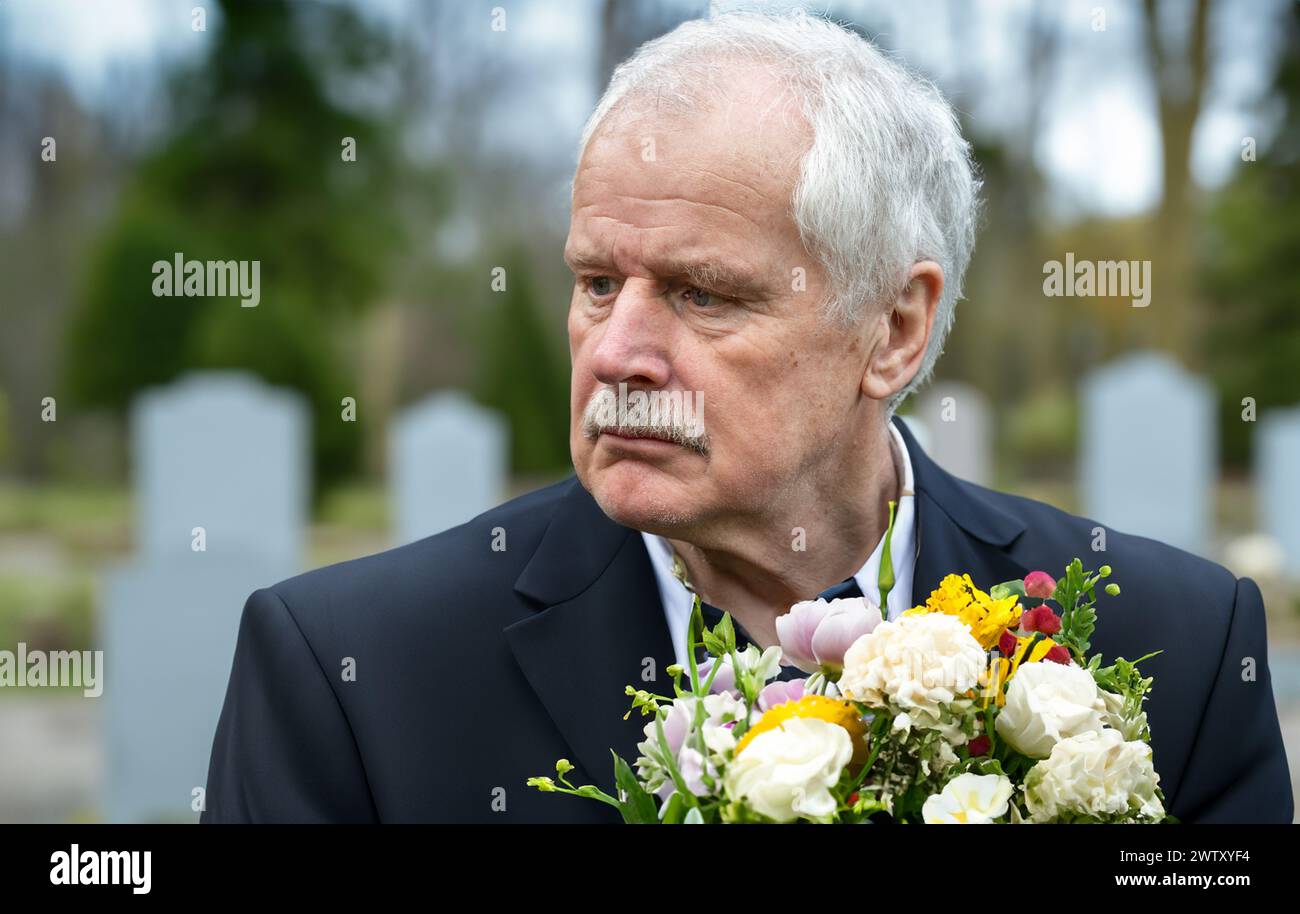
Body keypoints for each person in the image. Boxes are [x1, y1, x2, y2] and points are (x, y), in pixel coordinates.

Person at [201, 10, 1293, 824]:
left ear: (894, 329)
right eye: (594, 281)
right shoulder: (350, 674)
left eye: (701, 292)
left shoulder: (1181, 651)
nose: (617, 351)